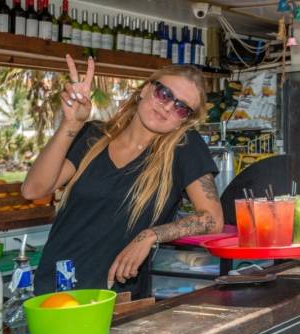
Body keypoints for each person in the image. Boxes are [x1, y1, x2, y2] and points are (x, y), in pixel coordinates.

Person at [22, 55, 224, 298]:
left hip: (118, 297)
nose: (169, 107)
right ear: (145, 89)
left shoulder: (184, 148)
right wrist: (70, 124)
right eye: (164, 94)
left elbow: (212, 218)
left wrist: (150, 235)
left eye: (182, 107)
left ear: (184, 120)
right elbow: (33, 190)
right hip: (57, 284)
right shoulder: (92, 136)